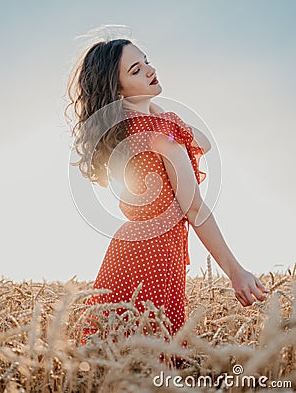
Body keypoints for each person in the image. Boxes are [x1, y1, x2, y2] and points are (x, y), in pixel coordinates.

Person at [64, 37, 269, 345]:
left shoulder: (124, 130)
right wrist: (235, 271)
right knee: (155, 355)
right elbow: (195, 208)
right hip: (156, 259)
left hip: (125, 254)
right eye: (136, 70)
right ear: (117, 88)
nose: (149, 70)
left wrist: (154, 109)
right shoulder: (161, 135)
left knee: (112, 356)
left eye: (146, 61)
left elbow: (202, 143)